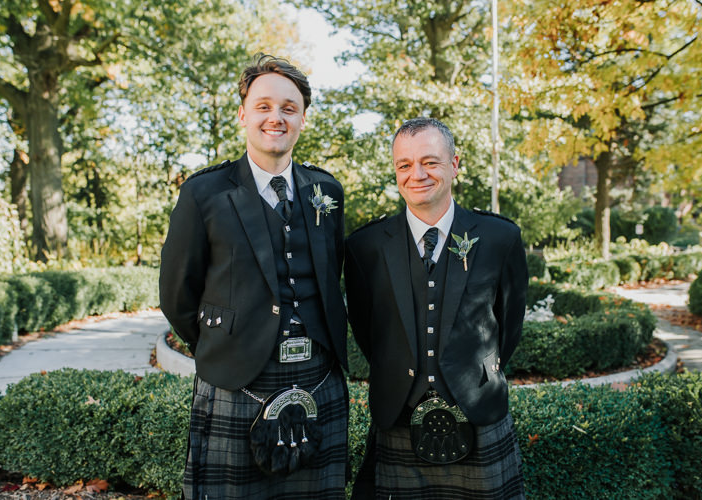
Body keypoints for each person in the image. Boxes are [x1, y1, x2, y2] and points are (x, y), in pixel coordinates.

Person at [160, 53, 348, 499]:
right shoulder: (204, 192)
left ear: (303, 118)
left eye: (289, 107)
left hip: (318, 376)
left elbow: (332, 271)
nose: (275, 117)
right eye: (264, 106)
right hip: (236, 379)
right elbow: (176, 294)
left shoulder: (327, 191)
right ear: (244, 113)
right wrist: (223, 347)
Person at [345, 117, 528, 499]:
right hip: (398, 415)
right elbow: (367, 331)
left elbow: (508, 325)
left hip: (479, 410)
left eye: (430, 161)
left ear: (455, 164)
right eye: (405, 165)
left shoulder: (499, 238)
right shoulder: (365, 247)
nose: (417, 174)